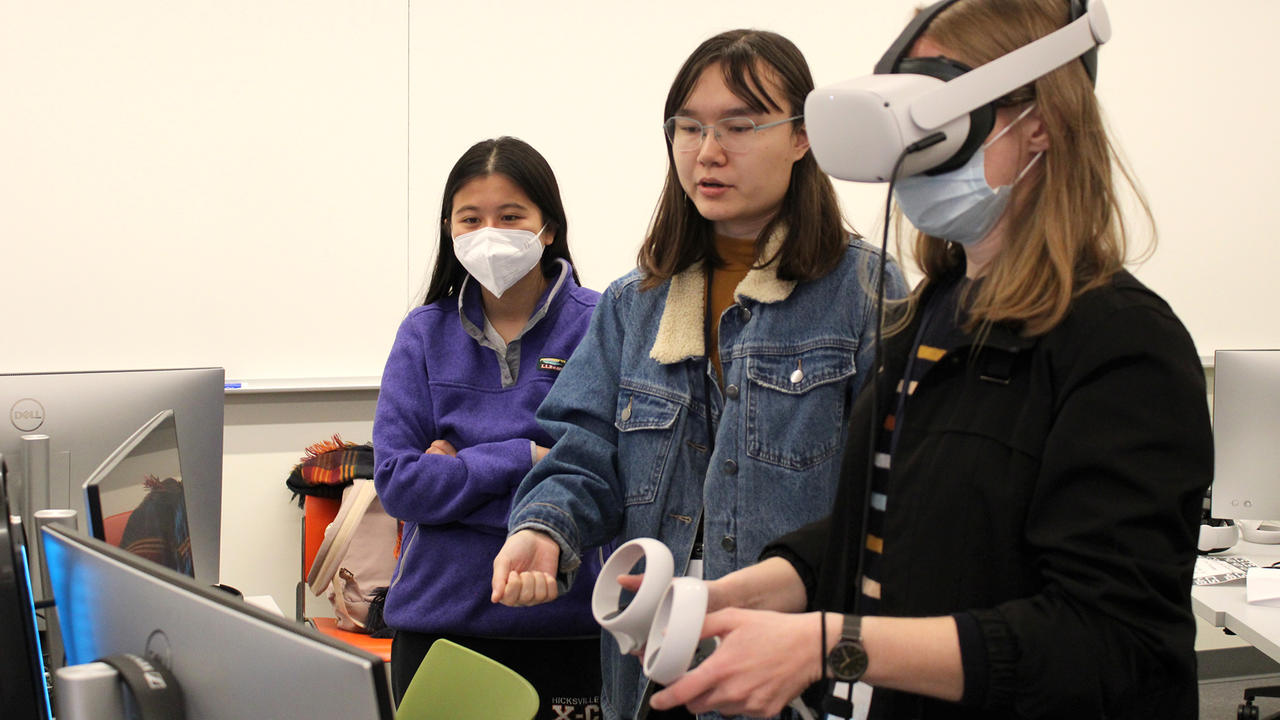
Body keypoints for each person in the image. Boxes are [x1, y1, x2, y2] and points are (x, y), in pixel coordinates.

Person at [643, 2, 1213, 719]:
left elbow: (1110, 643)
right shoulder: (930, 315)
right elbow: (897, 528)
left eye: (938, 121)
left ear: (1038, 122)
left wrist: (827, 647)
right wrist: (758, 588)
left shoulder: (1121, 344)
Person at [490, 29, 907, 720]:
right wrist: (544, 527)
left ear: (802, 137)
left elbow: (886, 498)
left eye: (738, 126)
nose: (707, 152)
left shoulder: (862, 290)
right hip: (651, 659)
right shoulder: (636, 302)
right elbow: (585, 453)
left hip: (789, 664)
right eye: (688, 127)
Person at [373, 137, 604, 719]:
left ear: (547, 227)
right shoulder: (423, 334)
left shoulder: (599, 324)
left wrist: (455, 474)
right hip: (439, 625)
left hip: (569, 627)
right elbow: (400, 485)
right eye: (470, 219)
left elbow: (602, 473)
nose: (490, 234)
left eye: (511, 217)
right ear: (450, 230)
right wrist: (526, 455)